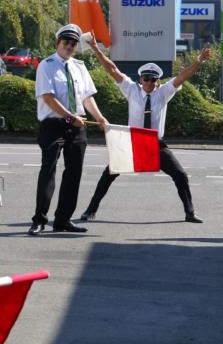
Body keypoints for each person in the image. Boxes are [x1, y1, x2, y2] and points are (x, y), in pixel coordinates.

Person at [80, 36, 211, 224]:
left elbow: (183, 76)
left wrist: (198, 61)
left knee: (180, 175)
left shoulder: (164, 92)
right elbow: (112, 69)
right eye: (146, 79)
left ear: (158, 81)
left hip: (155, 144)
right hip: (133, 142)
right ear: (140, 79)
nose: (149, 83)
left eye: (153, 79)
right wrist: (95, 48)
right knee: (108, 175)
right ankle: (90, 211)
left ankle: (189, 213)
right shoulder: (131, 89)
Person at [28, 24, 107, 236]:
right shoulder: (46, 65)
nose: (70, 46)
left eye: (73, 43)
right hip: (54, 125)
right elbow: (47, 97)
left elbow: (87, 97)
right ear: (58, 43)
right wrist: (70, 117)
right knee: (48, 171)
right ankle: (39, 220)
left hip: (77, 126)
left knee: (74, 173)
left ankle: (63, 220)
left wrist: (99, 117)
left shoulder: (79, 66)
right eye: (66, 42)